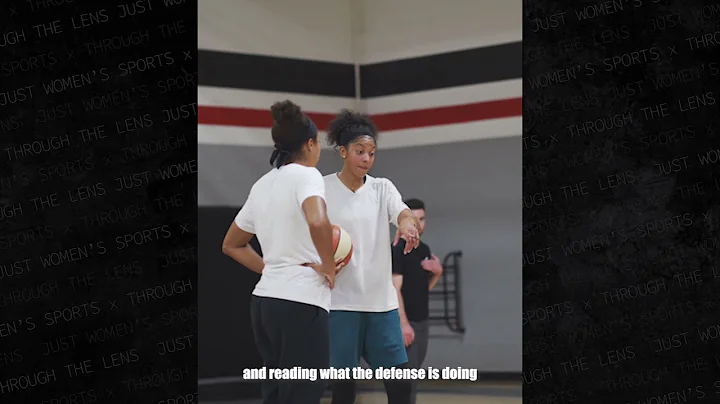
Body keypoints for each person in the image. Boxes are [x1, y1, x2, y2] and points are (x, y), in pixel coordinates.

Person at [221, 100, 340, 404]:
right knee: (302, 393)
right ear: (310, 143)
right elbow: (316, 218)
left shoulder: (262, 184)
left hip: (265, 303)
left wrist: (271, 269)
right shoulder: (307, 175)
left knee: (276, 393)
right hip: (300, 302)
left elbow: (231, 244)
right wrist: (329, 265)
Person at [323, 109, 421, 404]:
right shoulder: (322, 188)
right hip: (339, 304)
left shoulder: (382, 188)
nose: (366, 158)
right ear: (343, 151)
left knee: (401, 387)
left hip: (382, 305)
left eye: (371, 153)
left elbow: (403, 213)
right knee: (343, 391)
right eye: (359, 151)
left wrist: (407, 225)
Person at [391, 198, 443, 404]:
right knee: (406, 383)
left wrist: (438, 274)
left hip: (422, 323)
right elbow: (394, 289)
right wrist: (403, 324)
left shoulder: (424, 248)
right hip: (406, 324)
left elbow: (422, 289)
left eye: (422, 219)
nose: (419, 224)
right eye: (415, 219)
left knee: (412, 379)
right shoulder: (397, 249)